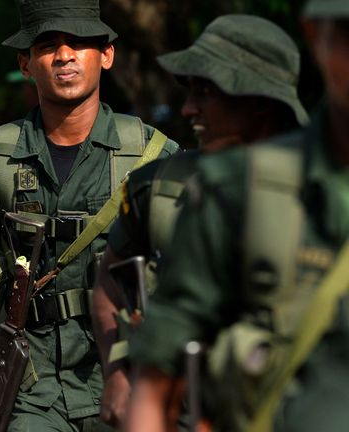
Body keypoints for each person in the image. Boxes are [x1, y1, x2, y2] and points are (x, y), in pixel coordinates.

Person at [0, 0, 179, 430]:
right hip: (29, 391)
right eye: (48, 45)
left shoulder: (153, 156)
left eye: (79, 43)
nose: (64, 55)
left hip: (127, 379)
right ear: (26, 63)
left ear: (106, 55)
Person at [126, 1, 349, 431]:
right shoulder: (224, 190)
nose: (189, 109)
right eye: (346, 33)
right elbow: (154, 382)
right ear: (314, 34)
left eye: (206, 91)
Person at [89, 15, 308, 428]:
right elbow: (107, 283)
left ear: (259, 100)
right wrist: (118, 370)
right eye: (189, 91)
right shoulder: (157, 186)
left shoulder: (324, 199)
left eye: (206, 92)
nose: (189, 109)